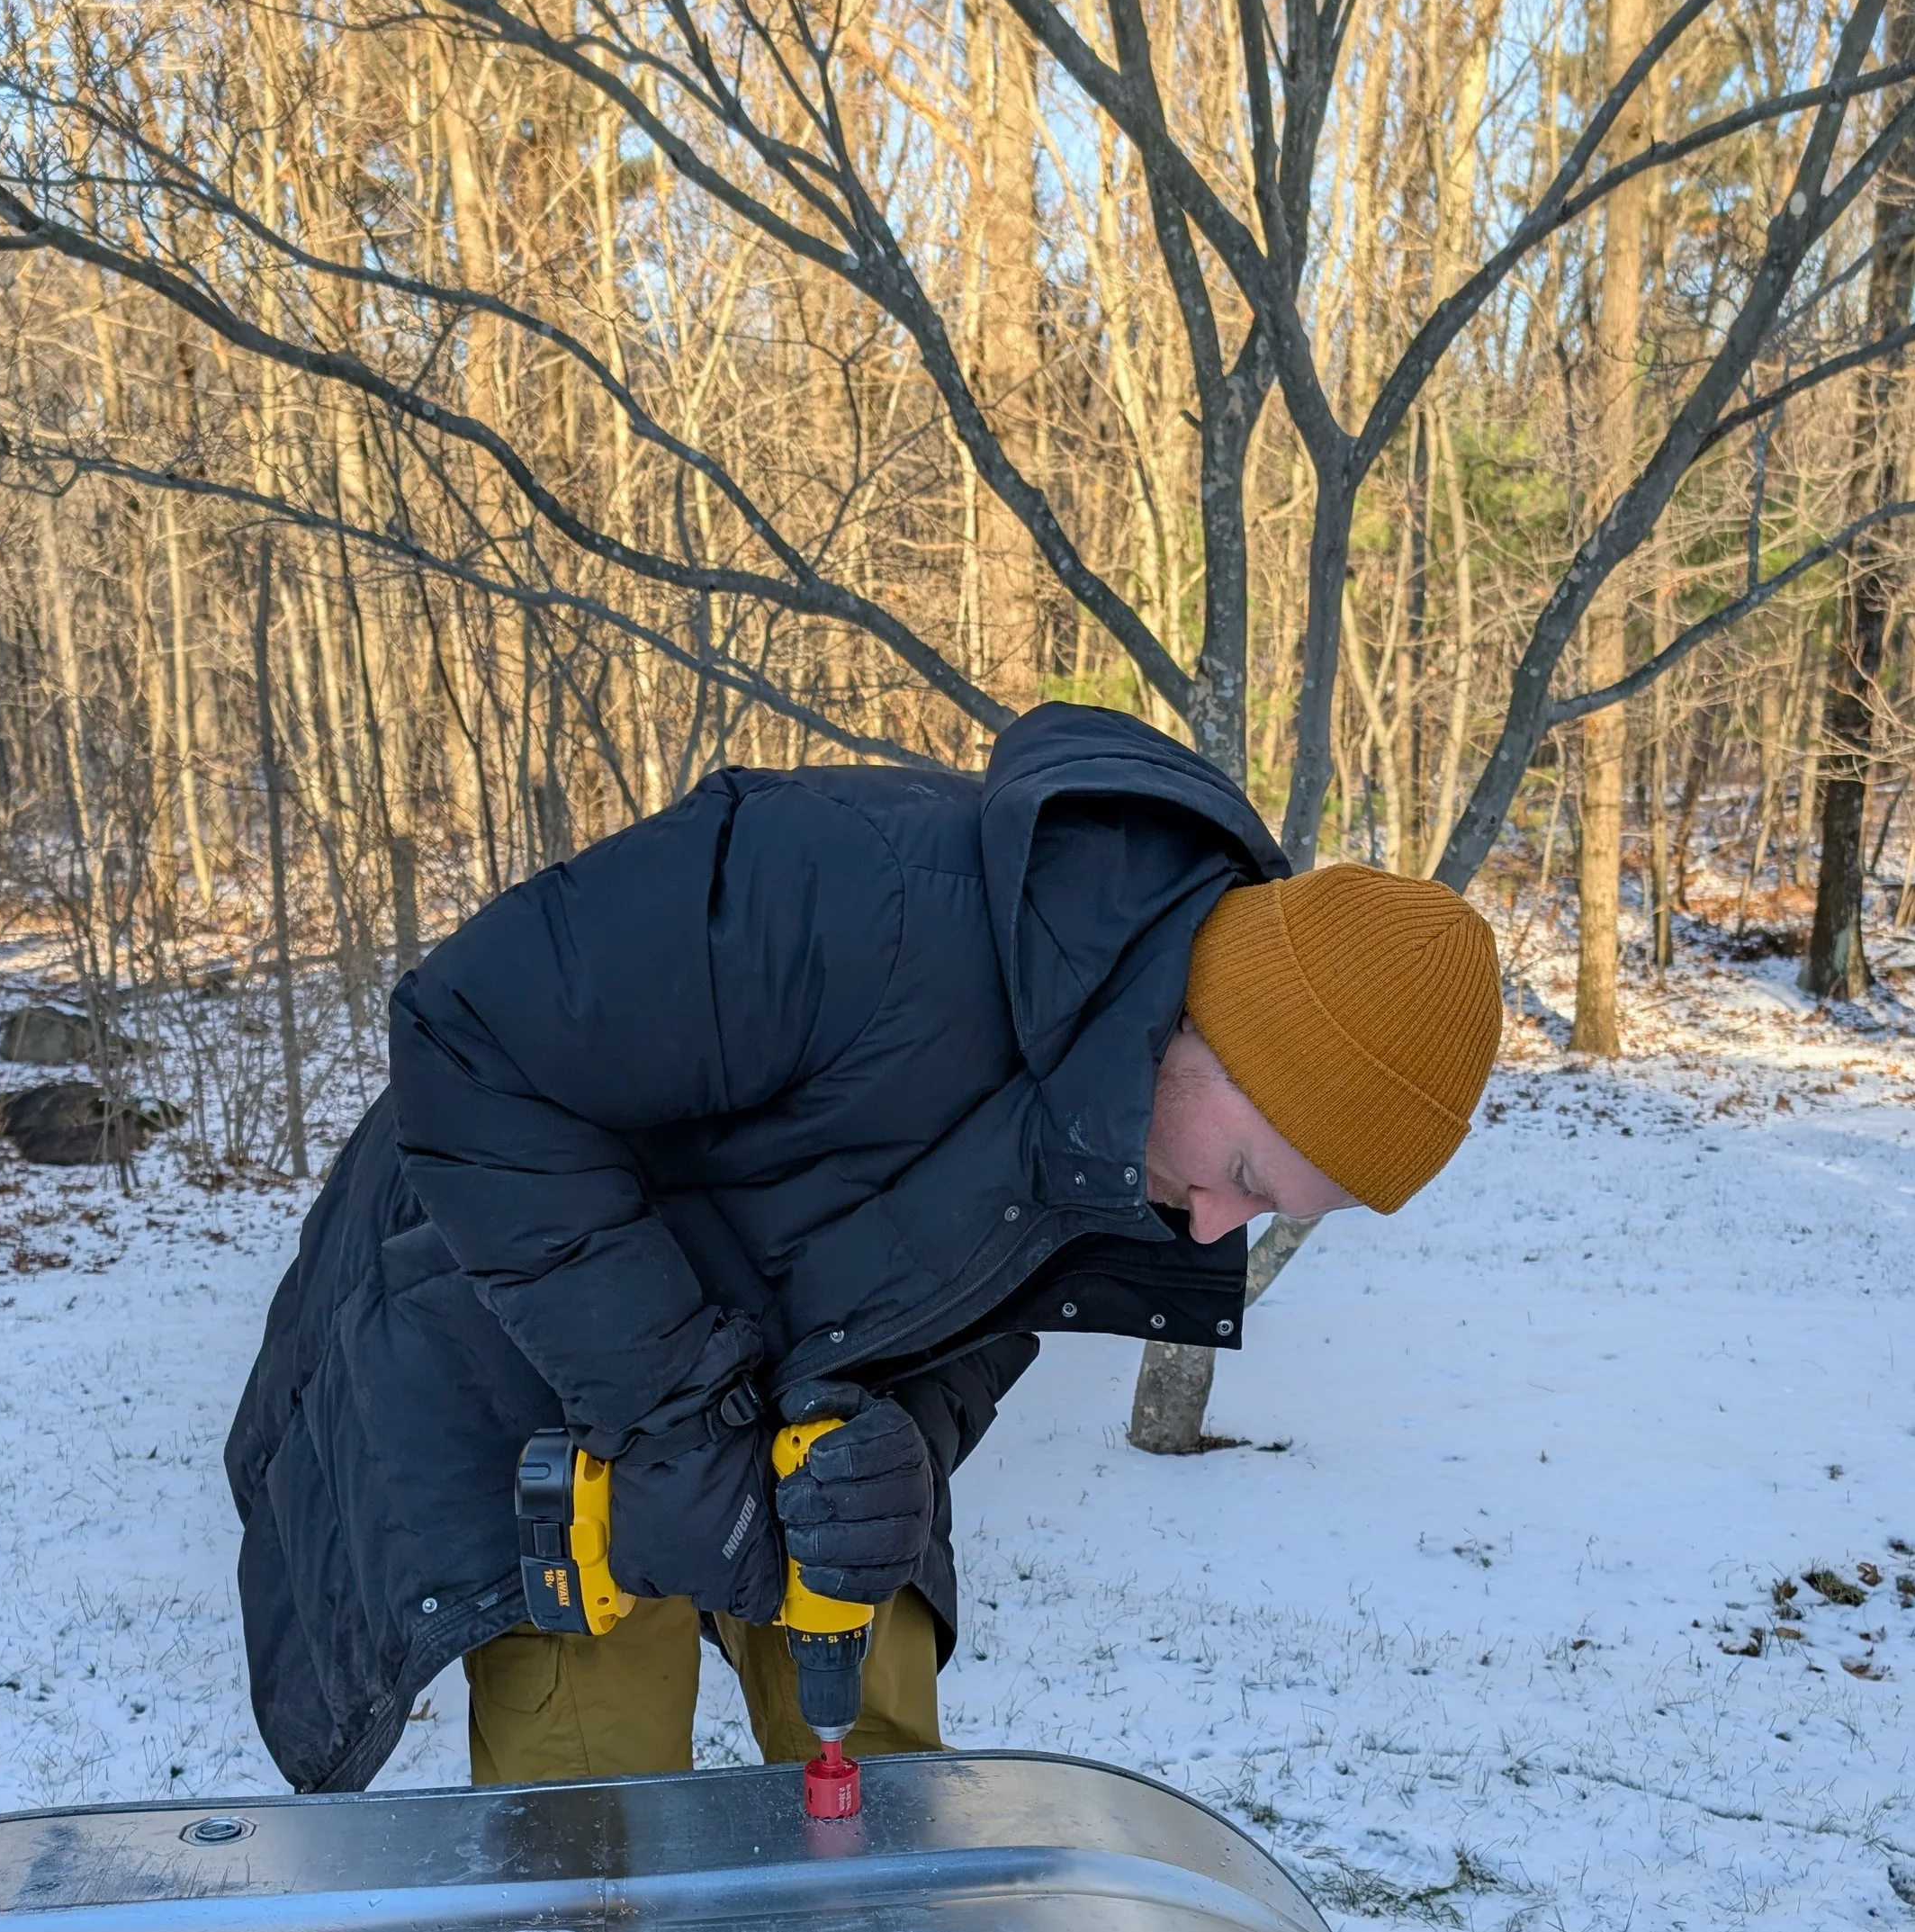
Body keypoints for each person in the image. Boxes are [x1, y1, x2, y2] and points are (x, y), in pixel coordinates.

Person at [226, 702, 1501, 1793]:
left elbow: (976, 1309)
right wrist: (678, 1424)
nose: (1216, 1227)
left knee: (876, 1765)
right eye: (1239, 1178)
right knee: (593, 1817)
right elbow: (468, 1039)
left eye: (1266, 1213)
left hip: (769, 1368)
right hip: (518, 1306)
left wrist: (901, 1444)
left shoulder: (1135, 1129)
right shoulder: (859, 893)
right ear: (1204, 1027)